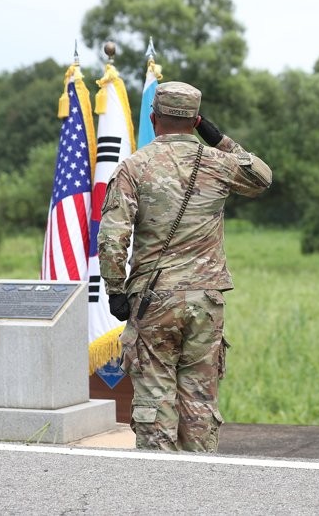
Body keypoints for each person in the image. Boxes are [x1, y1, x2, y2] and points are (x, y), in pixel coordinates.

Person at [97, 81, 272, 451]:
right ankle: (200, 482)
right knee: (198, 401)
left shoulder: (134, 166)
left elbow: (113, 237)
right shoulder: (220, 163)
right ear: (196, 121)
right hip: (205, 300)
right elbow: (261, 177)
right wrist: (219, 138)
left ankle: (161, 486)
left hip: (153, 300)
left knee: (155, 400)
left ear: (153, 118)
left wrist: (115, 290)